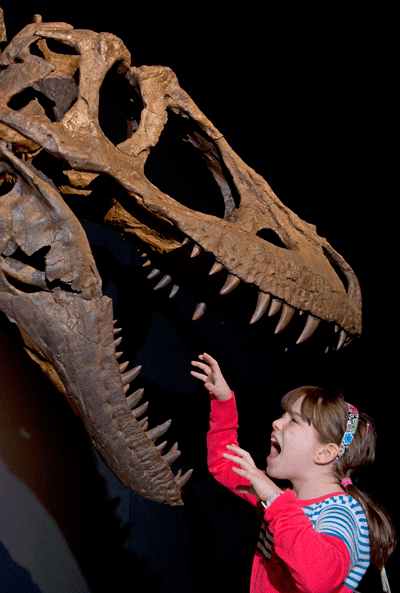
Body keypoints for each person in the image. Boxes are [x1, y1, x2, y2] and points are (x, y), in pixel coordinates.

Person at [191, 352, 395, 593]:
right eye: (282, 415)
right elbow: (223, 464)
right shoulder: (282, 500)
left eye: (293, 421)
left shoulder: (341, 513)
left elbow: (319, 578)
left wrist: (274, 499)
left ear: (324, 453)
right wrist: (223, 400)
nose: (276, 423)